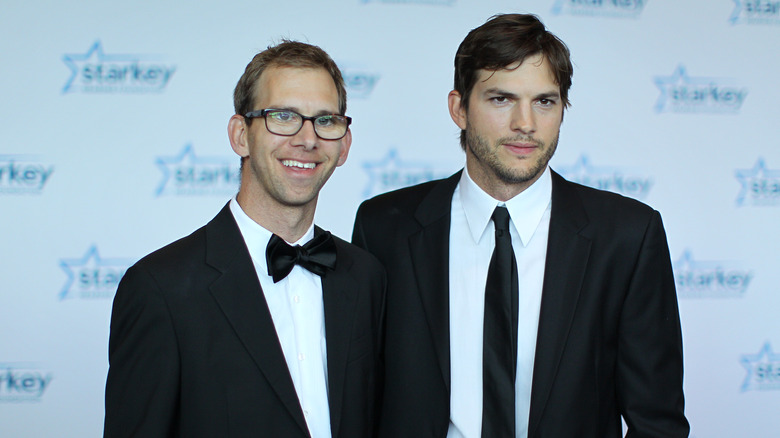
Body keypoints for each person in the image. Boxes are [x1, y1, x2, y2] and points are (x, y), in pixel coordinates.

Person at [352, 13, 688, 438]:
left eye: (544, 101)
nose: (525, 124)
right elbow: (360, 400)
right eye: (501, 99)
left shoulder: (627, 235)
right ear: (459, 108)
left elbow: (657, 422)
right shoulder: (384, 228)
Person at [104, 40, 385, 438]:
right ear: (240, 135)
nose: (307, 139)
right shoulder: (160, 288)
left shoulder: (367, 276)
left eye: (325, 120)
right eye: (283, 116)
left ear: (344, 145)